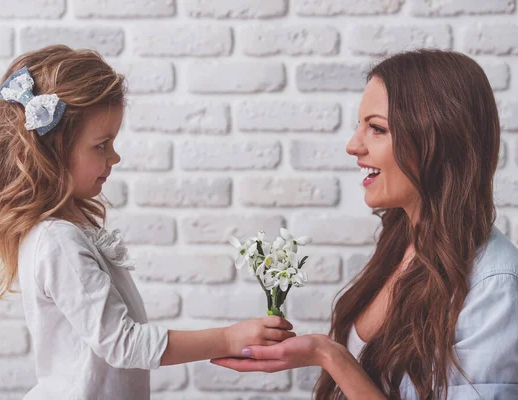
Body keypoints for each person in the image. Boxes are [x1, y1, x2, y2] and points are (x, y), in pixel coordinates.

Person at [0, 45, 295, 400]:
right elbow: (123, 343)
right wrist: (229, 338)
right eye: (102, 144)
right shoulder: (57, 240)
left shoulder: (69, 231)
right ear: (53, 152)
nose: (115, 155)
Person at [210, 49, 518, 400]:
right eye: (360, 126)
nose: (352, 145)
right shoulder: (401, 240)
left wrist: (328, 355)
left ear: (438, 139)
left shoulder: (496, 286)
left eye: (376, 128)